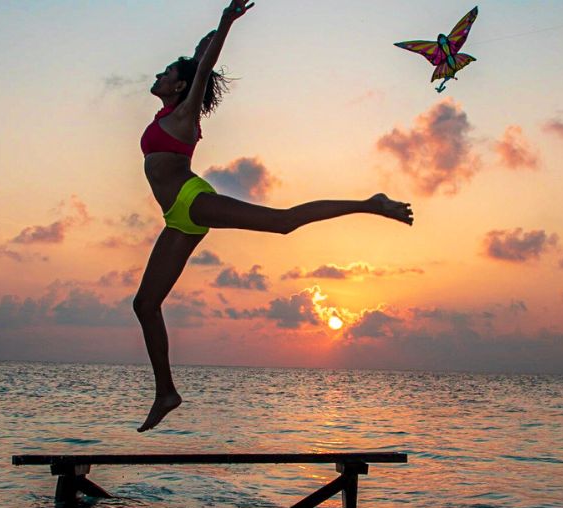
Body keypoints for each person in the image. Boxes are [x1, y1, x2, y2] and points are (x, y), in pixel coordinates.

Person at [134, 0, 413, 432]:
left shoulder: (185, 113)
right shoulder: (169, 112)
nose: (157, 76)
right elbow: (198, 58)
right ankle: (166, 392)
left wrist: (226, 22)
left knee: (284, 221)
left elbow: (203, 67)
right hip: (176, 217)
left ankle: (370, 203)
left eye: (165, 73)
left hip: (191, 199)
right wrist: (206, 38)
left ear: (178, 86)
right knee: (145, 304)